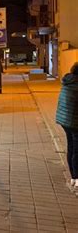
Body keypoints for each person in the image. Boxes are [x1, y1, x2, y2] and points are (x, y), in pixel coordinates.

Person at [56, 62, 78, 190]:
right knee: (76, 150)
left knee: (72, 148)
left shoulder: (68, 82)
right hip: (74, 122)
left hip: (65, 120)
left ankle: (73, 177)